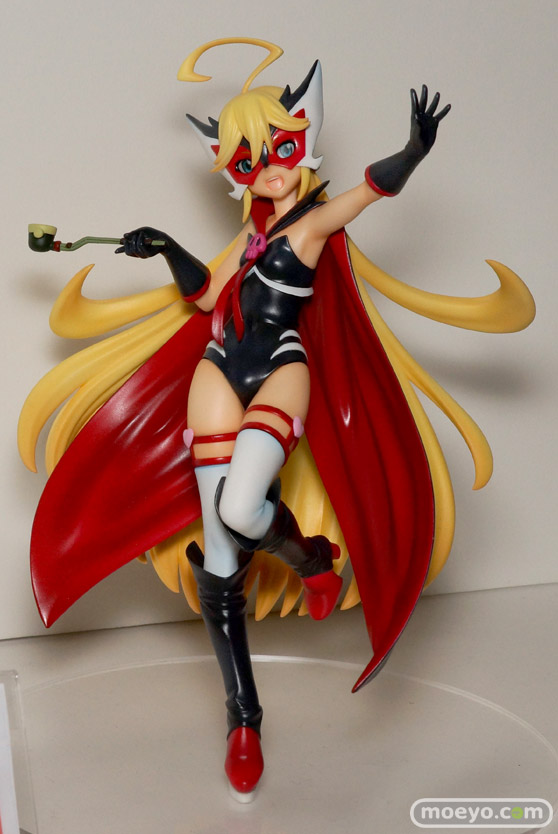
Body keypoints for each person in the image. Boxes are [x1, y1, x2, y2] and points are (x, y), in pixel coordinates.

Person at [18, 38, 535, 800]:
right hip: (218, 368)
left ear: (303, 140)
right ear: (233, 169)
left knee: (239, 507)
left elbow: (369, 191)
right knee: (222, 554)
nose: (268, 168)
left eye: (281, 148)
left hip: (282, 368)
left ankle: (310, 557)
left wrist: (412, 153)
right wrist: (165, 247)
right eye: (248, 158)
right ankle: (244, 718)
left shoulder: (313, 226)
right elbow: (206, 297)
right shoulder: (251, 234)